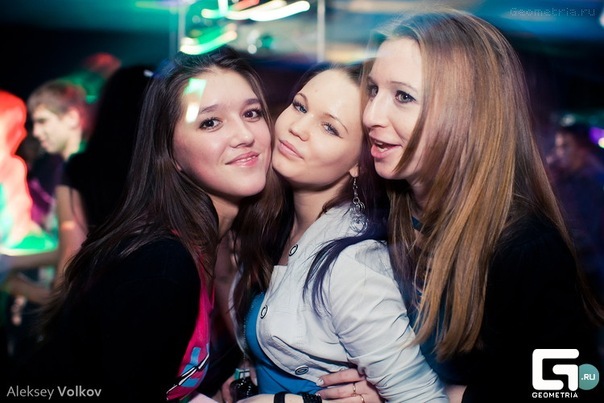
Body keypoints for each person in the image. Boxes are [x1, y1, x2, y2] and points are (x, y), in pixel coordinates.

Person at [319, 8, 604, 402]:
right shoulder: (382, 211)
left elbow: (575, 385)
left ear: (468, 115)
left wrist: (429, 394)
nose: (371, 115)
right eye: (373, 89)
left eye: (403, 96)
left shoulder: (526, 248)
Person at [6, 46, 272, 402]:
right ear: (171, 153)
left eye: (252, 113)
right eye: (210, 122)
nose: (244, 135)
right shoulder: (163, 264)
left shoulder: (199, 246)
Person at [226, 64, 446, 402]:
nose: (297, 127)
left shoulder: (354, 264)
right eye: (300, 106)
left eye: (329, 128)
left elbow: (422, 398)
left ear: (359, 162)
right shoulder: (274, 221)